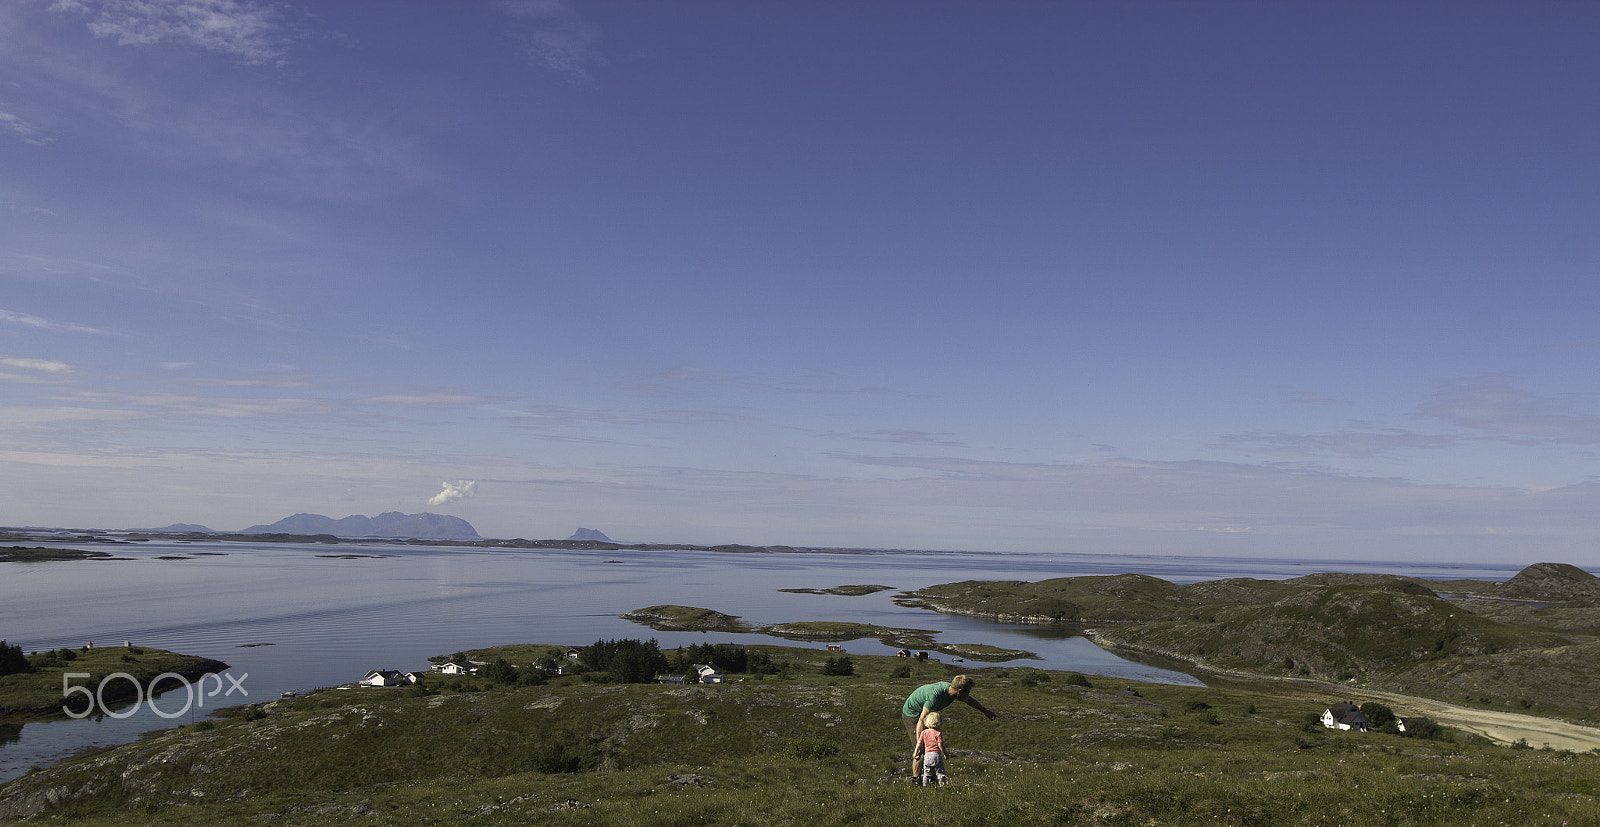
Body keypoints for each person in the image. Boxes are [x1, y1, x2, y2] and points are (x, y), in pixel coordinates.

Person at [901, 675, 996, 782]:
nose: (968, 695)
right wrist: (919, 743)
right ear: (960, 691)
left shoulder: (953, 692)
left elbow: (969, 700)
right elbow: (921, 719)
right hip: (912, 714)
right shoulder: (935, 696)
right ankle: (915, 780)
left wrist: (984, 710)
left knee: (931, 747)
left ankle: (930, 776)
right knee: (921, 750)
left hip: (926, 713)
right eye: (967, 692)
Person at [914, 711, 948, 787]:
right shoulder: (938, 734)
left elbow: (919, 743)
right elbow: (940, 745)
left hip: (927, 756)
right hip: (936, 755)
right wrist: (945, 754)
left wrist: (915, 752)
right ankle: (942, 785)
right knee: (940, 772)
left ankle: (925, 785)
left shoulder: (924, 732)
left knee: (927, 773)